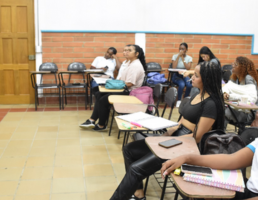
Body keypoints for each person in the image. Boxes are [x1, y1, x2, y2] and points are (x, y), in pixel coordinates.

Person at [110, 61, 225, 200]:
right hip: (177, 136)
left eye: (196, 75)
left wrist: (166, 140)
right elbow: (185, 117)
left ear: (207, 79)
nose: (192, 78)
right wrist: (172, 128)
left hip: (186, 144)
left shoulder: (211, 104)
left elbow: (197, 137)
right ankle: (138, 193)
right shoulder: (197, 95)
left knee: (136, 169)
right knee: (129, 149)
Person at [79, 45, 146, 131]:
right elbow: (122, 79)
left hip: (129, 92)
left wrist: (113, 85)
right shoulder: (129, 63)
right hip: (123, 88)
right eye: (124, 50)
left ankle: (101, 125)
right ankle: (92, 120)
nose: (126, 52)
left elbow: (129, 84)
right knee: (100, 94)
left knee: (103, 99)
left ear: (137, 53)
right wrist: (113, 84)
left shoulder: (135, 65)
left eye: (129, 50)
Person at [223, 56, 258, 128]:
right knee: (220, 110)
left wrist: (231, 96)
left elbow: (251, 100)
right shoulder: (235, 77)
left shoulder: (248, 78)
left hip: (250, 111)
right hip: (238, 107)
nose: (233, 65)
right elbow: (227, 87)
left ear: (243, 68)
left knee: (224, 113)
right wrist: (226, 93)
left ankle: (220, 135)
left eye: (236, 64)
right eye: (233, 63)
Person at [171, 43, 192, 107]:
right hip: (176, 75)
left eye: (183, 49)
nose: (181, 50)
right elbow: (174, 67)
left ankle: (185, 100)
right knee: (182, 84)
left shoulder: (189, 58)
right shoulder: (174, 56)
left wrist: (183, 59)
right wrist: (178, 57)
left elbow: (188, 68)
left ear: (186, 50)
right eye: (180, 48)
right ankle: (179, 100)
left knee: (189, 84)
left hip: (185, 75)